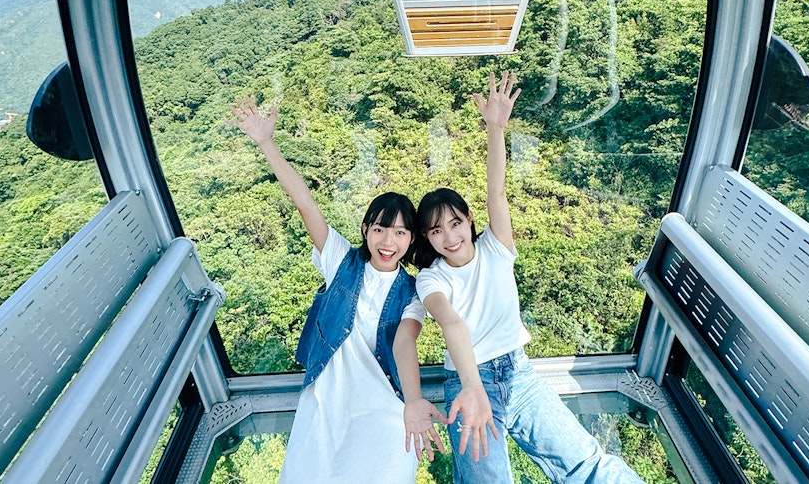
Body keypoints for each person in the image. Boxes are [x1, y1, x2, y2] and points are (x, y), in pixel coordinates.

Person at [414, 72, 645, 483]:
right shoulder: (432, 280)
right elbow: (452, 324)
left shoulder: (496, 248)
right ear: (428, 239)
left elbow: (496, 192)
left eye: (454, 223)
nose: (448, 237)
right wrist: (472, 388)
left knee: (589, 466)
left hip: (518, 374)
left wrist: (496, 129)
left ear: (469, 219)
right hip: (471, 380)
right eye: (435, 231)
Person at [228, 97, 446, 483]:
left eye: (399, 232)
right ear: (366, 230)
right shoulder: (341, 261)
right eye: (380, 228)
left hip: (380, 399)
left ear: (411, 239)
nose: (388, 241)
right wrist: (266, 142)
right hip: (326, 397)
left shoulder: (412, 291)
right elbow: (304, 202)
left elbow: (404, 342)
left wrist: (413, 400)